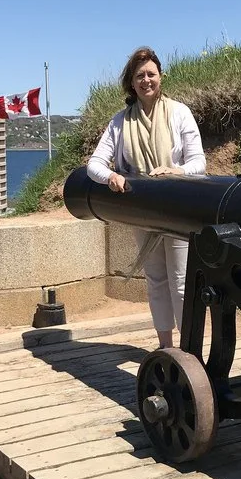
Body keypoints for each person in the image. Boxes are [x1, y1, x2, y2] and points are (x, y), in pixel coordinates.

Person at [87, 46, 206, 349]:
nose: (146, 80)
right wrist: (111, 176)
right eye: (140, 75)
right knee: (156, 280)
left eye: (151, 74)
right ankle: (166, 347)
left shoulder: (179, 113)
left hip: (178, 208)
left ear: (160, 78)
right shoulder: (120, 122)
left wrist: (175, 170)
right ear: (131, 82)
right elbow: (94, 165)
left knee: (181, 282)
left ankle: (189, 350)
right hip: (142, 208)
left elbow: (198, 163)